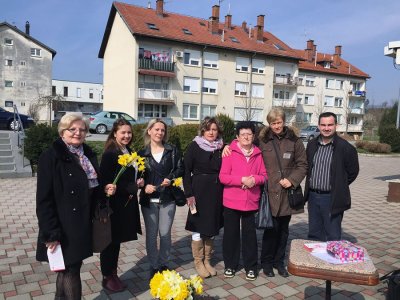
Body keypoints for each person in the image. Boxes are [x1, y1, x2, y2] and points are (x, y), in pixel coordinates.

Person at [36, 113, 103, 300]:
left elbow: (93, 185)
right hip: (62, 225)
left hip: (82, 222)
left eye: (82, 129)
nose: (77, 133)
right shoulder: (51, 157)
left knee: (68, 269)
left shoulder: (87, 154)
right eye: (72, 129)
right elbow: (44, 199)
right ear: (62, 132)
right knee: (70, 270)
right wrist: (50, 233)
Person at [258, 108, 307, 278]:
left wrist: (292, 180)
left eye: (279, 122)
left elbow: (302, 165)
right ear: (269, 124)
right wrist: (229, 146)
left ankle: (279, 262)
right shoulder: (262, 140)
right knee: (270, 230)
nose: (276, 126)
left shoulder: (295, 140)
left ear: (284, 121)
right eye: (273, 123)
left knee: (284, 231)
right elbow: (245, 146)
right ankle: (266, 263)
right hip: (269, 193)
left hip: (287, 193)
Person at [219, 121, 267, 281]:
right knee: (231, 235)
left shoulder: (258, 154)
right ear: (237, 137)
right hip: (231, 201)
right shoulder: (229, 152)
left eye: (249, 134)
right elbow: (223, 177)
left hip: (251, 201)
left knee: (250, 236)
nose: (246, 137)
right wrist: (242, 180)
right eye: (243, 134)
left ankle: (251, 267)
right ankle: (230, 265)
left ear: (253, 136)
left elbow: (264, 175)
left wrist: (254, 180)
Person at [99, 119, 142, 292]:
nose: (126, 135)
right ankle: (107, 276)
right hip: (114, 206)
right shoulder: (110, 153)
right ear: (115, 133)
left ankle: (113, 273)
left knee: (116, 241)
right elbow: (105, 181)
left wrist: (140, 177)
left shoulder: (128, 151)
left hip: (125, 205)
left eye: (129, 132)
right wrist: (134, 186)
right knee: (110, 242)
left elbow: (131, 174)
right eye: (123, 132)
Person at [138, 118, 184, 279]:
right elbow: (136, 177)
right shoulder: (141, 154)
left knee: (165, 233)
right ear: (149, 131)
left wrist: (171, 177)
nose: (159, 132)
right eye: (156, 129)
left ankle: (163, 263)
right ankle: (153, 265)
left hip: (167, 199)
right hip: (149, 201)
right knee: (151, 235)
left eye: (162, 130)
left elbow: (180, 168)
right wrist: (144, 186)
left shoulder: (172, 150)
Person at [305, 112, 359, 241]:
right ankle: (314, 261)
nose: (326, 128)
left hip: (332, 197)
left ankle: (331, 260)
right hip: (313, 196)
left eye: (330, 124)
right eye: (323, 125)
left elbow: (353, 172)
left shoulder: (345, 148)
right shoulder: (311, 145)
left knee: (332, 235)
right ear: (318, 126)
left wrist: (338, 184)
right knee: (314, 234)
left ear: (336, 125)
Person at [183, 117, 224, 278]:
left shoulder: (222, 147)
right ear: (202, 131)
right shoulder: (194, 146)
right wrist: (189, 193)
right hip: (198, 191)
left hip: (216, 192)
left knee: (212, 227)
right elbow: (186, 171)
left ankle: (208, 260)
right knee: (198, 227)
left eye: (214, 129)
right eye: (208, 129)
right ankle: (198, 262)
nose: (211, 132)